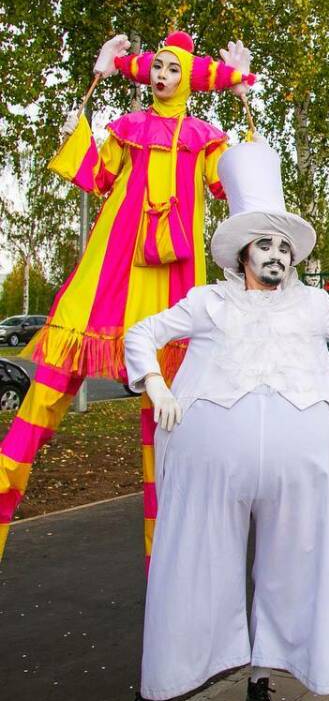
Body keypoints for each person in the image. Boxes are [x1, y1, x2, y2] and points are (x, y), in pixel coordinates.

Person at [91, 140, 329, 701]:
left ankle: (262, 682)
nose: (275, 254)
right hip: (207, 467)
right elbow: (143, 334)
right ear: (242, 253)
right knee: (187, 569)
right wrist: (154, 385)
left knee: (291, 571)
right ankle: (158, 694)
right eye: (264, 244)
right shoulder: (208, 302)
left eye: (283, 246)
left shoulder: (313, 303)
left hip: (305, 468)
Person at [0, 31, 253, 564]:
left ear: (187, 80)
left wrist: (244, 94)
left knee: (160, 431)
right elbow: (95, 177)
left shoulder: (206, 138)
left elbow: (237, 189)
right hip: (107, 277)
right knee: (45, 395)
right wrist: (81, 126)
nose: (161, 76)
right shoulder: (128, 129)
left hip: (171, 292)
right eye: (156, 68)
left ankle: (164, 571)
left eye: (172, 70)